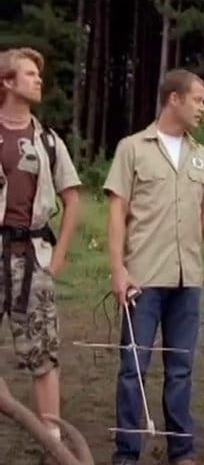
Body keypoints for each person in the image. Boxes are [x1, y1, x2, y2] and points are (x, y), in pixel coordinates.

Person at [103, 69, 204, 465]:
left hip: (188, 279)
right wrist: (118, 269)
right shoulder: (132, 148)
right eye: (198, 100)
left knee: (181, 368)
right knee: (133, 367)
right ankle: (127, 453)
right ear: (174, 99)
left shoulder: (201, 156)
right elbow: (117, 210)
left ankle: (181, 451)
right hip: (143, 277)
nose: (203, 108)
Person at [0, 47, 81, 463]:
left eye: (39, 74)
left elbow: (73, 199)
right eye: (29, 74)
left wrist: (58, 257)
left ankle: (52, 440)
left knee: (43, 354)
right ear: (7, 82)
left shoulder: (48, 141)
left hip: (33, 258)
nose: (38, 80)